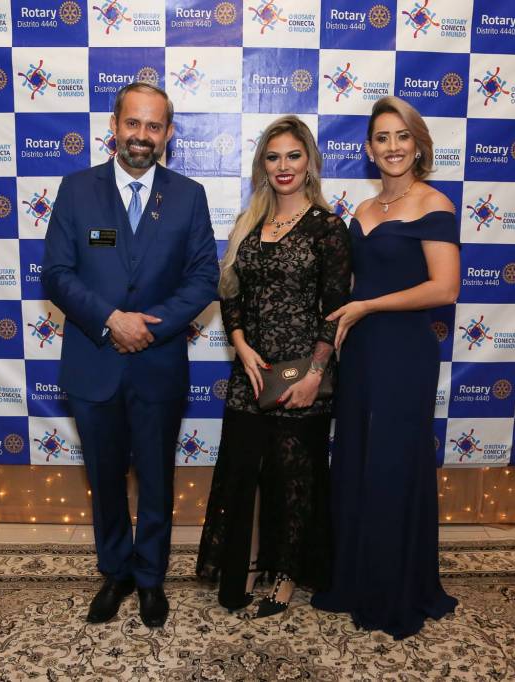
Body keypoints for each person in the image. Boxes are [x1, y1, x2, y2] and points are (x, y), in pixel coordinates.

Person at [43, 82, 219, 628]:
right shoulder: (76, 189)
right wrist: (110, 320)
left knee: (157, 478)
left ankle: (150, 578)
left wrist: (146, 327)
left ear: (168, 133)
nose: (142, 135)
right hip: (94, 363)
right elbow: (56, 274)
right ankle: (115, 571)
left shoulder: (188, 196)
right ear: (114, 126)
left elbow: (204, 279)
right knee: (105, 477)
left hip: (157, 365)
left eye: (154, 126)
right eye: (133, 123)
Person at [311, 96, 460, 639]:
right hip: (361, 350)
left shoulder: (434, 204)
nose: (393, 147)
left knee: (395, 463)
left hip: (404, 351)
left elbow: (444, 288)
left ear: (418, 145)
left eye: (402, 136)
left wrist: (368, 306)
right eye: (382, 138)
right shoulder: (364, 209)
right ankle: (355, 581)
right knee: (356, 459)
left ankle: (395, 589)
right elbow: (353, 282)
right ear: (369, 149)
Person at [196, 116, 351, 617]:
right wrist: (239, 345)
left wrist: (315, 375)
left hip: (302, 375)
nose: (283, 166)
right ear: (262, 165)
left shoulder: (328, 228)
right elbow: (230, 294)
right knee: (243, 473)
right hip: (250, 373)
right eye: (273, 156)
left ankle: (286, 575)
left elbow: (335, 310)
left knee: (293, 479)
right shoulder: (248, 224)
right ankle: (241, 568)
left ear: (309, 163)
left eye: (293, 155)